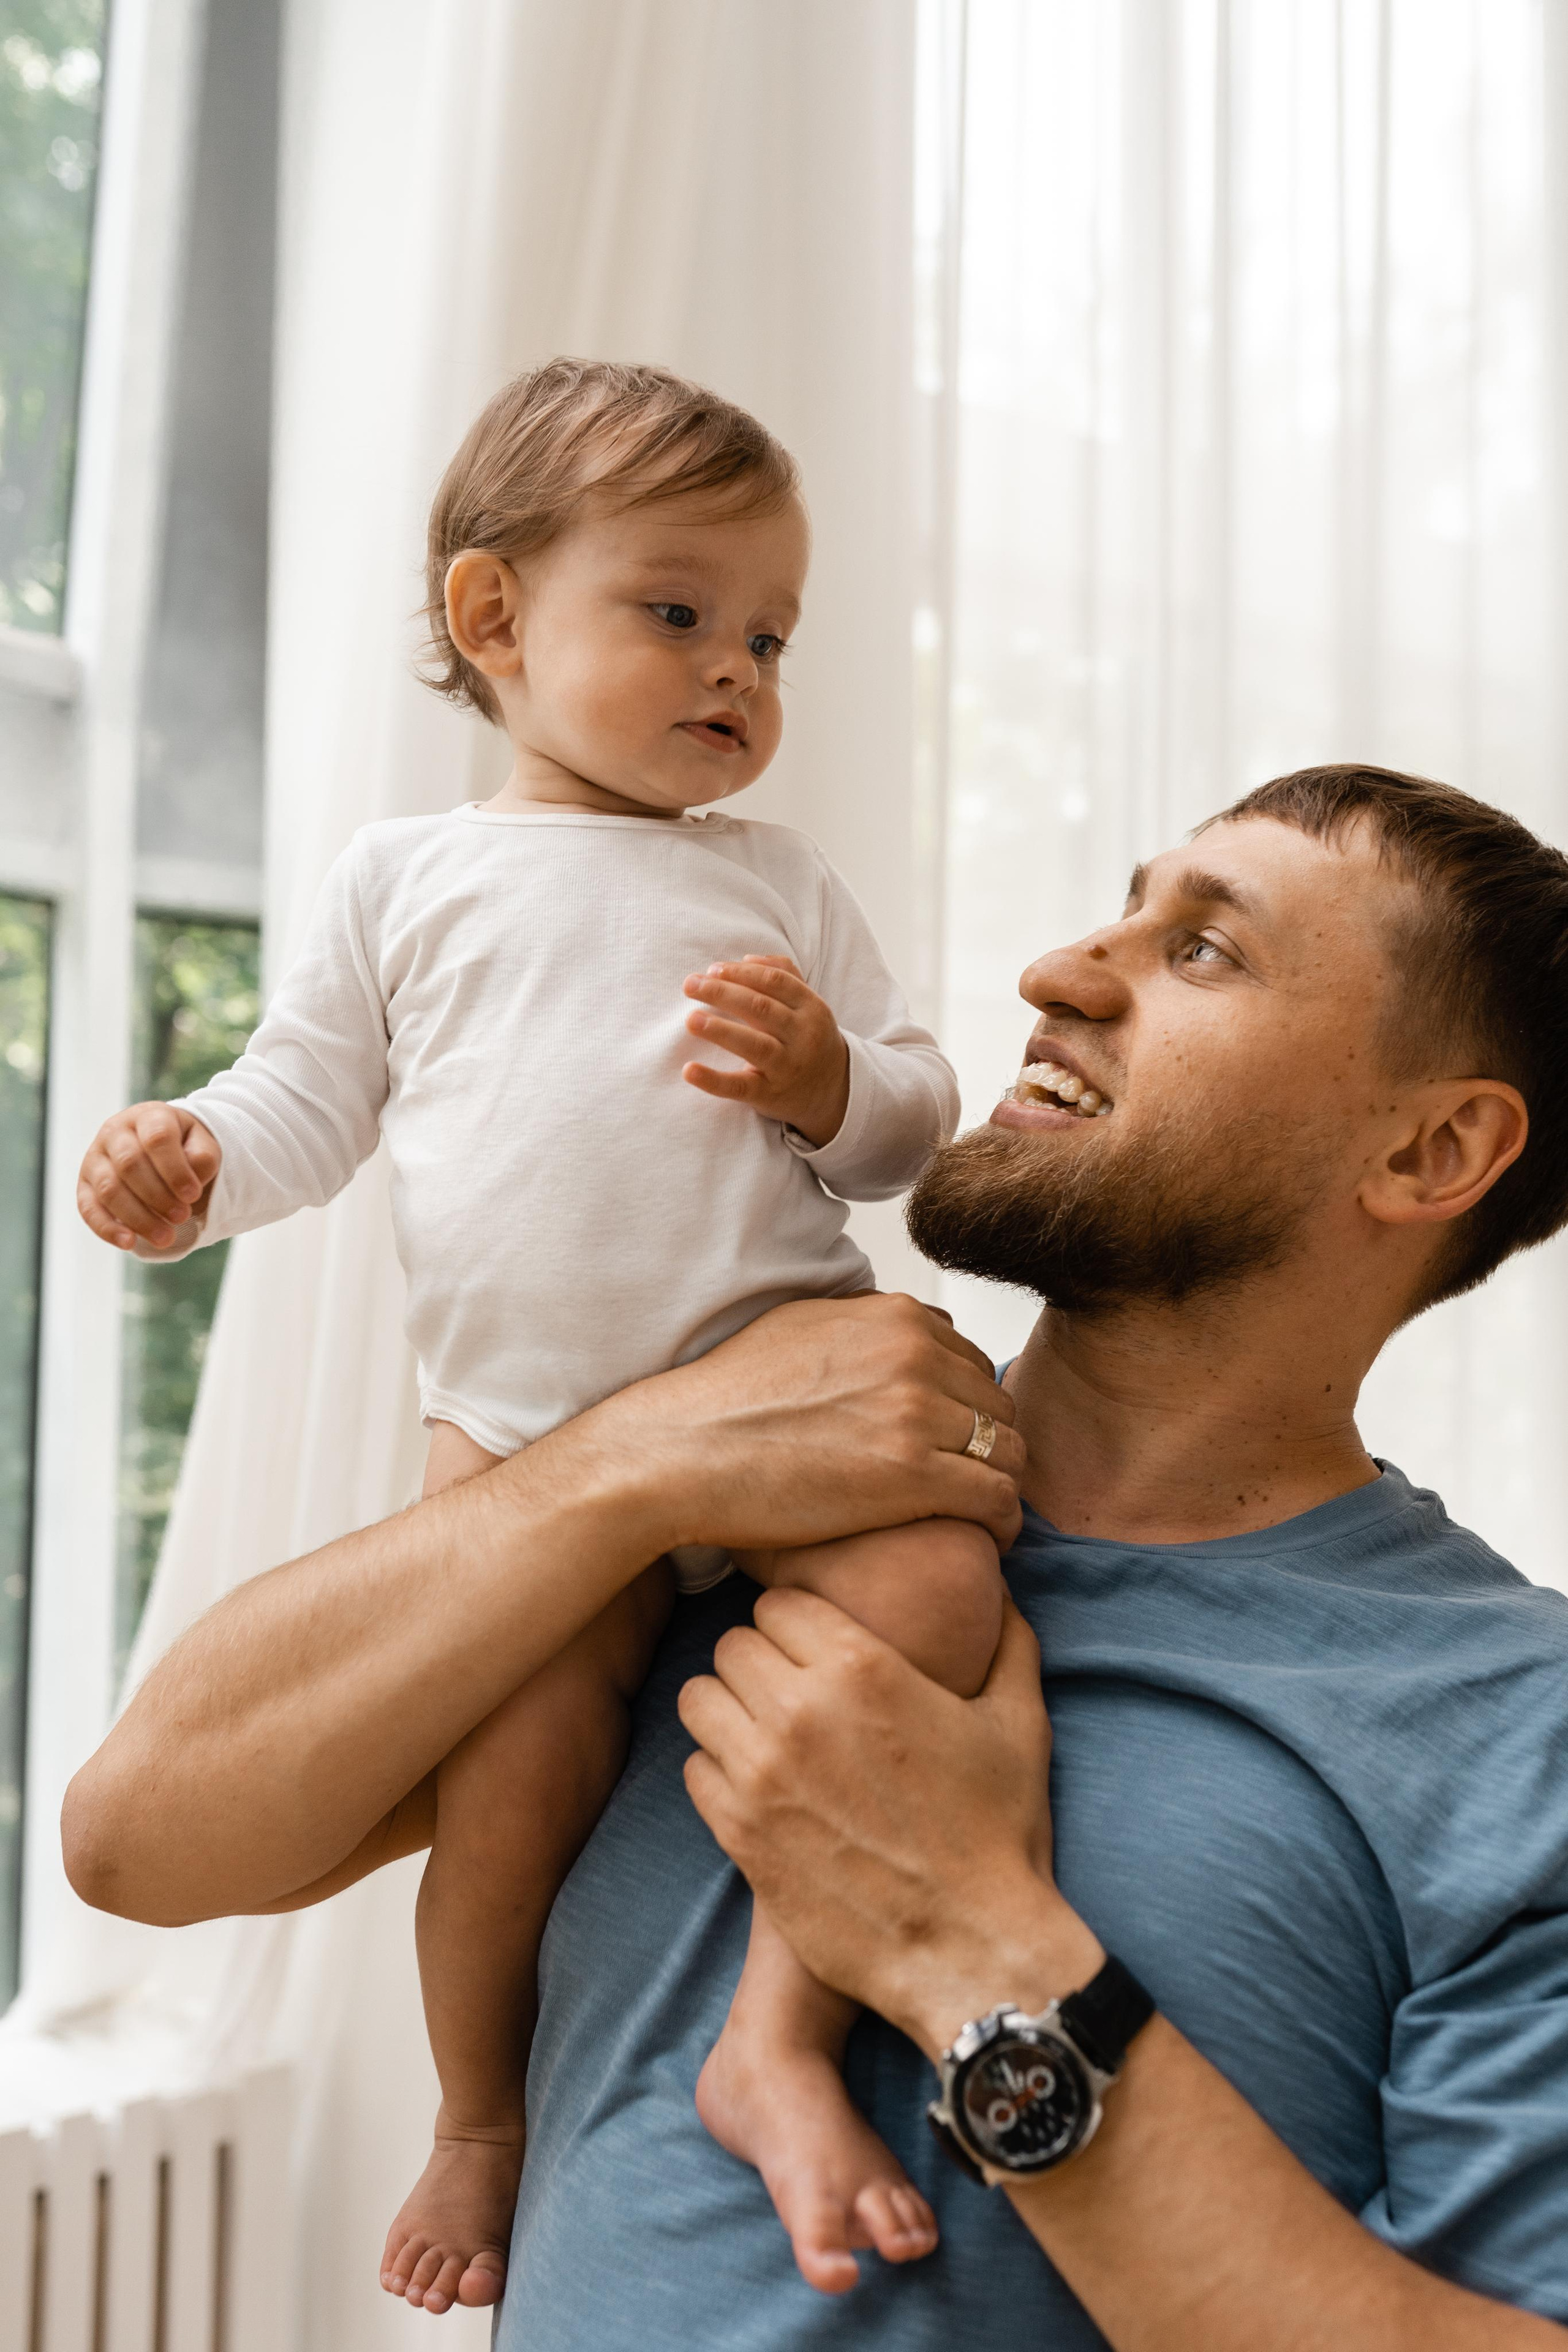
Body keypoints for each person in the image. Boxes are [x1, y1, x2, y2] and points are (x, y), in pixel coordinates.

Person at [67, 763, 1568, 2345]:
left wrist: (969, 1951)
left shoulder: (1510, 1727)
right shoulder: (741, 1501)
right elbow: (142, 1842)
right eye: (1123, 910)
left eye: (1205, 949)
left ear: (1431, 1152)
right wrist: (644, 1462)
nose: (1058, 974)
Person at [70, 358, 1012, 2312]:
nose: (738, 669)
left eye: (770, 634)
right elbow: (300, 1109)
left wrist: (838, 1078)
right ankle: (480, 2115)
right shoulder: (404, 882)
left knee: (933, 1584)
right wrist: (192, 1164)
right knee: (513, 1779)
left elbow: (917, 1128)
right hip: (512, 1436)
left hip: (790, 1367)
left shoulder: (777, 885)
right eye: (678, 612)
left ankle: (772, 2034)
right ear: (494, 618)